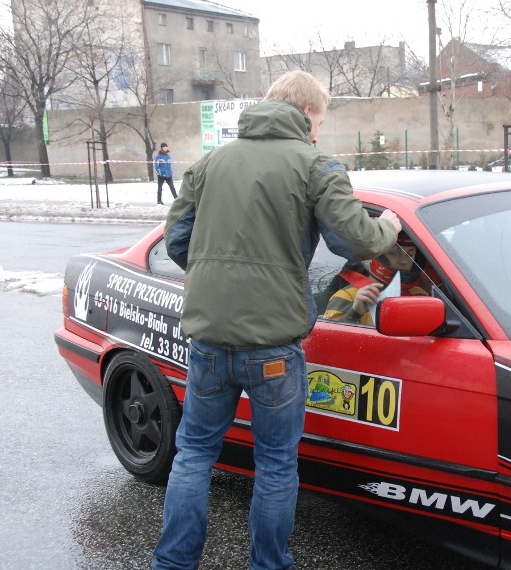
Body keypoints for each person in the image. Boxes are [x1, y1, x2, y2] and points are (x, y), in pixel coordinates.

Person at [153, 70, 401, 570]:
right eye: (321, 121)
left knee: (194, 453)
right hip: (272, 348)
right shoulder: (316, 165)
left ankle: (173, 564)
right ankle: (268, 565)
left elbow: (177, 241)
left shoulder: (209, 165)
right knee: (274, 464)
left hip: (207, 339)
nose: (319, 131)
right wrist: (389, 227)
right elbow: (351, 242)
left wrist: (217, 282)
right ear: (307, 113)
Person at [324, 233, 428, 324]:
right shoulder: (347, 297)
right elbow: (328, 340)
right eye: (394, 253)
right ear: (376, 255)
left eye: (410, 254)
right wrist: (355, 312)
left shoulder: (420, 295)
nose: (404, 261)